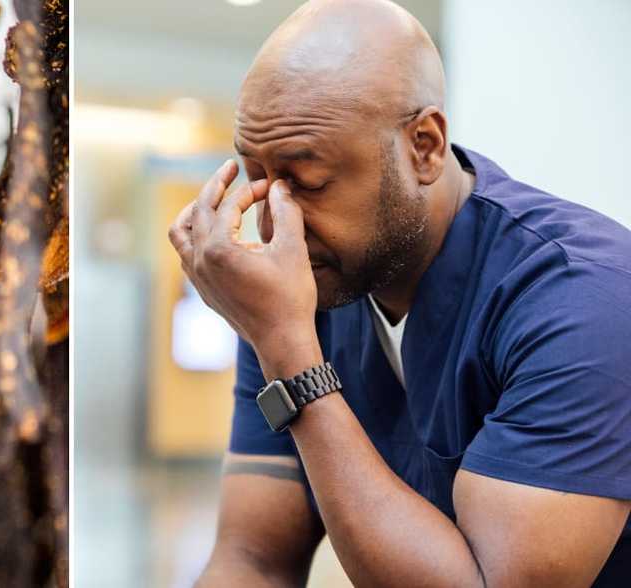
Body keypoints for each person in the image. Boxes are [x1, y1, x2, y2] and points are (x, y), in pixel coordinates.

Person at [167, 0, 631, 585]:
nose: (274, 224)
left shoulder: (584, 300)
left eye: (308, 182)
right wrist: (280, 337)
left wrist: (291, 355)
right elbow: (253, 560)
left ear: (424, 147)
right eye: (258, 180)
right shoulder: (300, 289)